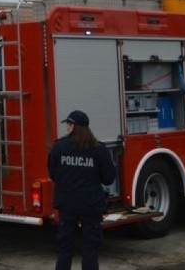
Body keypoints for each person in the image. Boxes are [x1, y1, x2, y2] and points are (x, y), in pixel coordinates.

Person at [48, 110, 116, 270]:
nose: (67, 128)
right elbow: (108, 178)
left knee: (64, 249)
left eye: (68, 124)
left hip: (67, 205)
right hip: (91, 205)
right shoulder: (99, 149)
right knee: (90, 250)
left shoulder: (59, 147)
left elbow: (53, 173)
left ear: (72, 126)